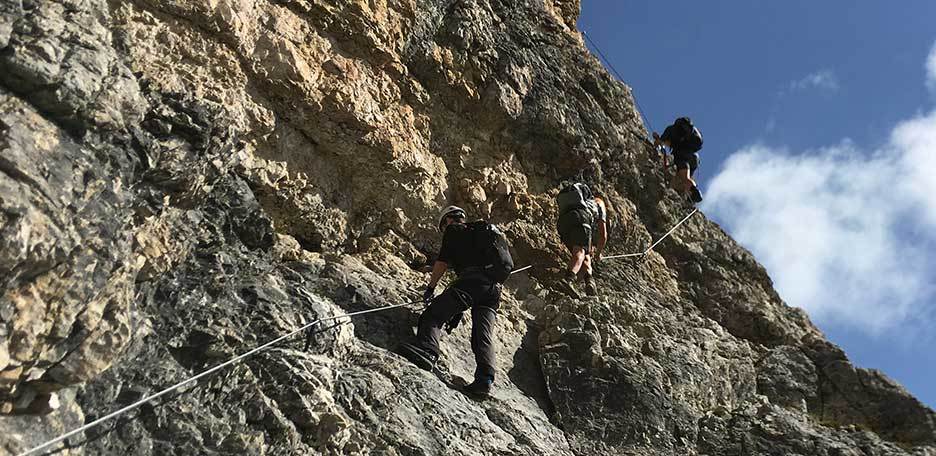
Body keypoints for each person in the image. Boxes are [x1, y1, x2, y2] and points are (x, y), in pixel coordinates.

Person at [398, 206, 504, 397]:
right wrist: (458, 309)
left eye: (443, 226)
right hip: (494, 291)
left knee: (434, 314)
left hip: (472, 284)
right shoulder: (480, 234)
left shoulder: (454, 230)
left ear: (447, 220)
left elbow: (442, 262)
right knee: (483, 335)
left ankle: (427, 350)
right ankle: (484, 380)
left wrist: (431, 288)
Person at [555, 183, 608, 297]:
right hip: (581, 218)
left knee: (584, 252)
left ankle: (589, 281)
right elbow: (603, 235)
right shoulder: (599, 203)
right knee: (580, 251)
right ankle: (568, 280)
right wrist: (598, 254)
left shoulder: (579, 202)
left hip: (563, 221)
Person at [653, 117, 704, 203]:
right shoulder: (696, 136)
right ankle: (691, 195)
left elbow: (660, 143)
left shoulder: (671, 130)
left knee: (685, 178)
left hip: (683, 156)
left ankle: (693, 196)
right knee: (685, 179)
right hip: (693, 158)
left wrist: (658, 141)